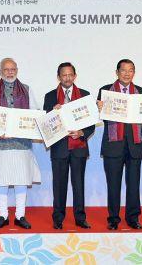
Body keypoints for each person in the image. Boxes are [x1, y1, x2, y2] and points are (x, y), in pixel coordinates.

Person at [0, 58, 41, 230]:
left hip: (21, 144)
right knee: (1, 179)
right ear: (0, 72)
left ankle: (20, 215)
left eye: (13, 69)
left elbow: (36, 113)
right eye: (6, 69)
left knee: (21, 178)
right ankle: (3, 215)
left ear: (17, 70)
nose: (10, 72)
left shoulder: (27, 90)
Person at [43, 62, 95, 230]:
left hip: (79, 147)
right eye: (63, 75)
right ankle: (58, 218)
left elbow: (91, 123)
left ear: (75, 76)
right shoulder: (50, 96)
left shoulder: (85, 95)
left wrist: (81, 133)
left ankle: (80, 218)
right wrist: (53, 113)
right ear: (59, 77)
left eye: (70, 74)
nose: (67, 78)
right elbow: (45, 125)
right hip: (59, 148)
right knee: (59, 185)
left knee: (78, 185)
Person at [96, 59, 142, 230]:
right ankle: (113, 218)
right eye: (123, 70)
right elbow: (98, 116)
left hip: (135, 145)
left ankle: (133, 218)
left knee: (133, 184)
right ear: (117, 72)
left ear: (134, 73)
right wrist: (99, 107)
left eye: (130, 70)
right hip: (113, 145)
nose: (127, 73)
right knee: (114, 184)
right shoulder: (105, 91)